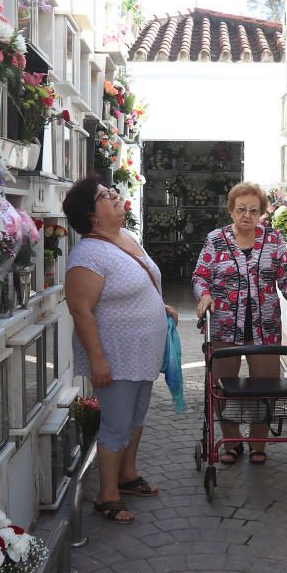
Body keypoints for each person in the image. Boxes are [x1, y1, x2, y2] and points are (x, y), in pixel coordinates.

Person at [64, 175, 178, 524]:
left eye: (112, 192)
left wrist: (159, 307)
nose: (114, 196)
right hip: (115, 355)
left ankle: (127, 475)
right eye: (103, 195)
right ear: (90, 215)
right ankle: (106, 495)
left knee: (136, 417)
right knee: (116, 424)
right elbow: (81, 310)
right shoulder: (87, 254)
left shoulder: (124, 238)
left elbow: (135, 284)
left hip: (142, 353)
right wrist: (98, 360)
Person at [192, 182, 287, 465]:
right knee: (220, 387)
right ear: (231, 210)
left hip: (264, 327)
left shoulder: (273, 239)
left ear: (262, 213)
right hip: (223, 326)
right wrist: (204, 295)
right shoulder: (215, 240)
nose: (247, 215)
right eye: (241, 209)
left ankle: (258, 444)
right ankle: (231, 441)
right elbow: (200, 275)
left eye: (254, 210)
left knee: (264, 387)